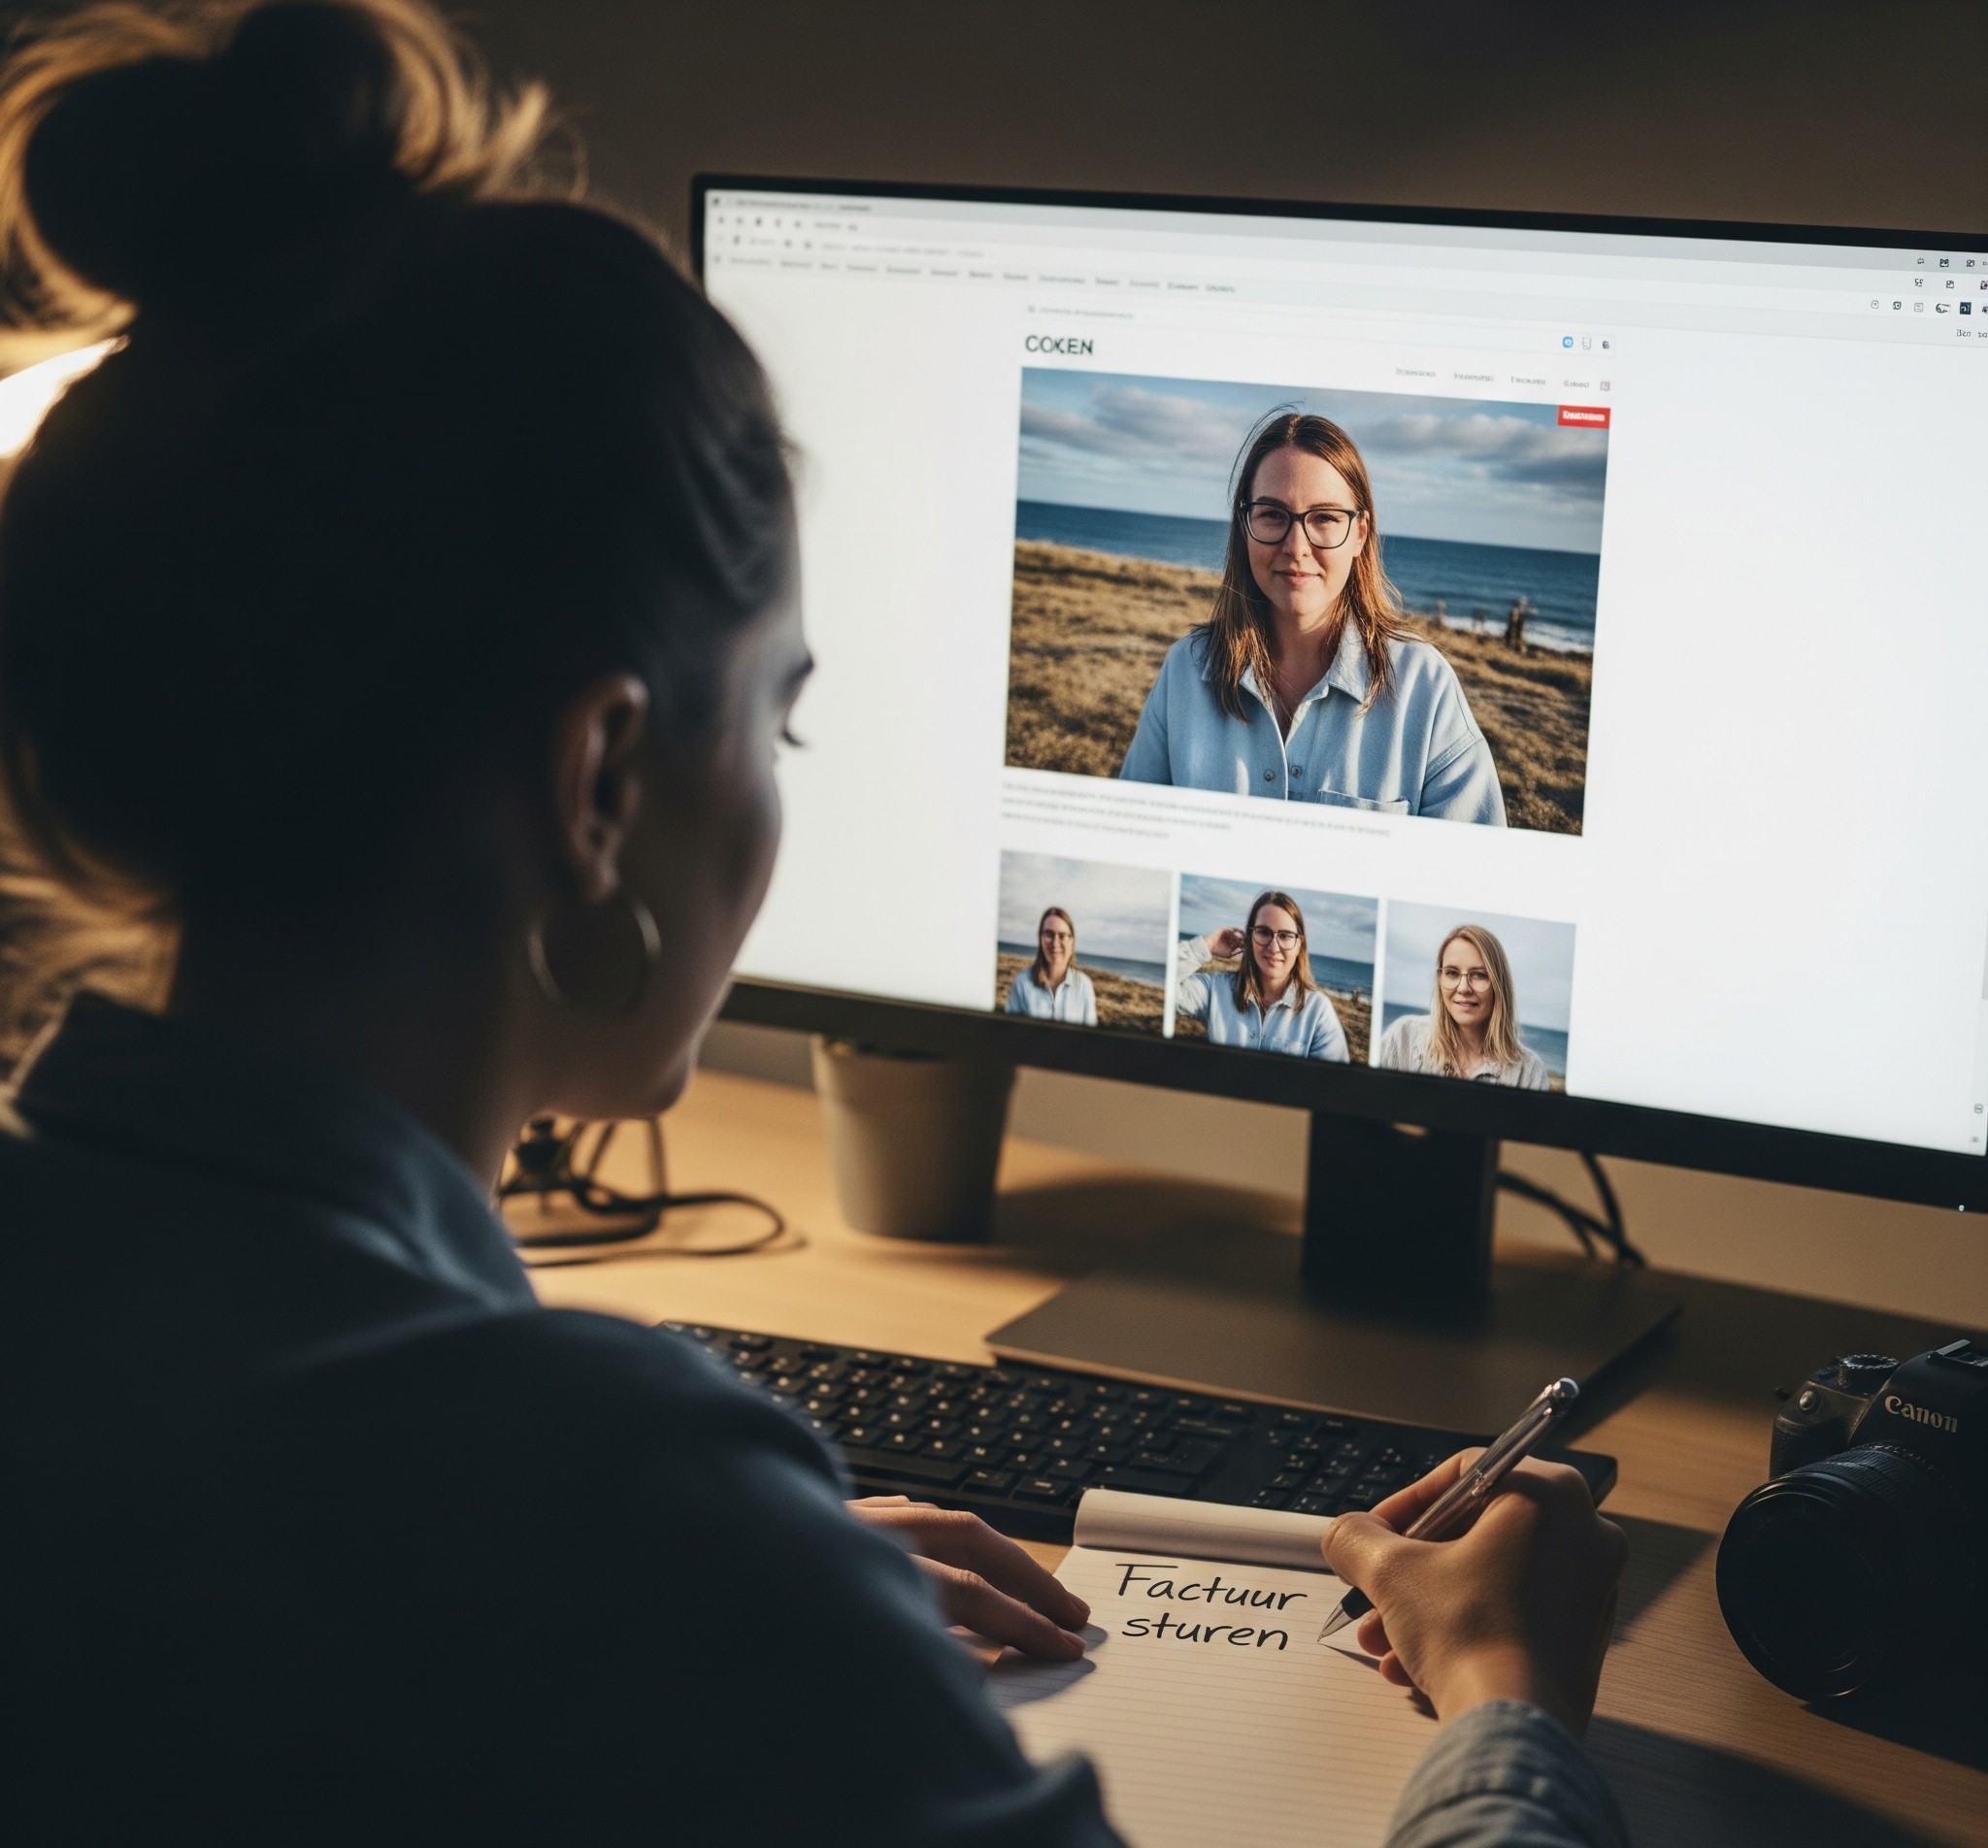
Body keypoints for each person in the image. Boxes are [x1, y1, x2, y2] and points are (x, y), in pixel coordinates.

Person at [0, 4, 1625, 1844]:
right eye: (775, 714)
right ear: (597, 780)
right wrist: (1509, 1703)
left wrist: (748, 1565)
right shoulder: (627, 1512)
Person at [1119, 413, 1505, 824]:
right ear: (1244, 524)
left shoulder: (1424, 688)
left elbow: (1474, 873)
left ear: (1360, 534)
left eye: (1324, 518)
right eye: (1272, 514)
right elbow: (1131, 839)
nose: (1296, 547)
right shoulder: (1186, 671)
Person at [1175, 890, 1349, 1061]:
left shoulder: (1318, 1011)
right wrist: (1207, 946)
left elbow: (1333, 1084)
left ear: (1299, 945)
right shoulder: (1216, 989)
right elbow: (1160, 977)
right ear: (1250, 937)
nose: (1273, 947)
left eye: (1285, 935)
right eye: (1264, 932)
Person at [1377, 924, 1552, 1089]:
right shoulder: (1403, 1038)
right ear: (1440, 979)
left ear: (1499, 985)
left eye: (1479, 975)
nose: (1463, 988)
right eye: (1452, 973)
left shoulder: (1529, 1073)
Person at [1005, 905, 1097, 1025]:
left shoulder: (1084, 986)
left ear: (1072, 941)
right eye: (1049, 935)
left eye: (1063, 936)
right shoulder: (1022, 983)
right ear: (1040, 939)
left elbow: (1090, 1040)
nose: (1055, 943)